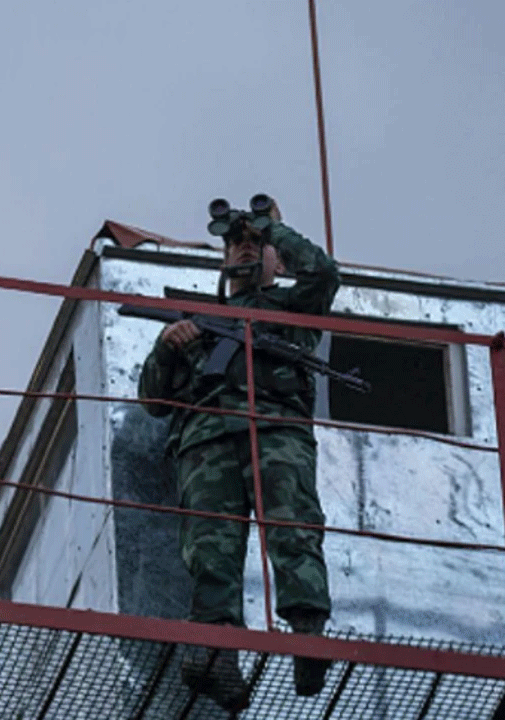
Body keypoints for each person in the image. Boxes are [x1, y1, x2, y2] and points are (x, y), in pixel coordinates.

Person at [138, 197, 339, 709]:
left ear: (278, 259)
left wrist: (275, 228)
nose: (246, 249)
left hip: (276, 431)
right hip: (206, 442)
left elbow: (323, 272)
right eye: (235, 243)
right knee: (211, 552)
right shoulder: (201, 319)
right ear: (222, 258)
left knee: (292, 527)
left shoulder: (295, 308)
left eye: (257, 245)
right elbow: (153, 401)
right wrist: (167, 346)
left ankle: (308, 636)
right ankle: (216, 657)